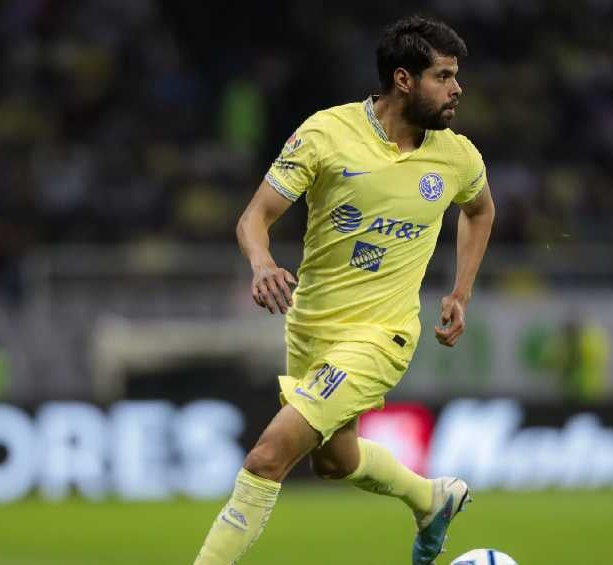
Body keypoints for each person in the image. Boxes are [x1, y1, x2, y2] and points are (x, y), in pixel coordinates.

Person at [194, 16, 496, 565]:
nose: (457, 89)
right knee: (334, 462)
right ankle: (432, 499)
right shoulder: (326, 134)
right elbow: (254, 217)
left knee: (266, 456)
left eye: (457, 76)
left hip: (382, 336)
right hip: (310, 328)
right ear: (404, 80)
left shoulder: (456, 156)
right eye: (443, 76)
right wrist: (262, 264)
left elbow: (479, 210)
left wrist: (461, 292)